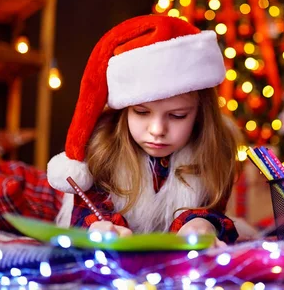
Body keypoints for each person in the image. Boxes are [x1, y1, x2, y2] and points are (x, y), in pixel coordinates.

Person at [47, 15, 241, 246]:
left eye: (177, 115)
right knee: (4, 188)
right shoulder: (101, 147)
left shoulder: (216, 151)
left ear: (201, 116)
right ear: (125, 110)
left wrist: (201, 224)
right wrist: (99, 226)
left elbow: (213, 212)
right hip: (47, 195)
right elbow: (86, 215)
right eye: (141, 112)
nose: (157, 130)